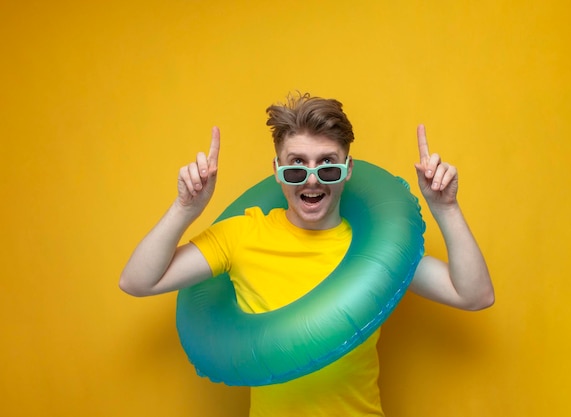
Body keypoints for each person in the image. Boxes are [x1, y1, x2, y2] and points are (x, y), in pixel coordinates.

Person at [120, 92, 494, 416]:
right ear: (277, 171)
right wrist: (185, 208)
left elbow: (473, 295)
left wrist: (445, 208)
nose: (312, 179)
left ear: (347, 170)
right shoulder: (241, 235)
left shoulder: (374, 253)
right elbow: (138, 281)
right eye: (296, 165)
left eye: (327, 165)